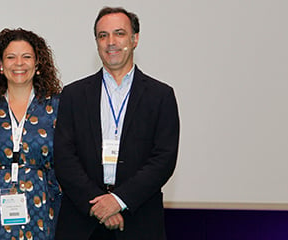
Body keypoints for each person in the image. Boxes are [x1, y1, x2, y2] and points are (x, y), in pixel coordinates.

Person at [53, 6, 180, 240]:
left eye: (119, 33)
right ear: (97, 42)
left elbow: (163, 159)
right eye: (103, 35)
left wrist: (118, 201)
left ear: (135, 39)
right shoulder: (73, 94)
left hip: (139, 221)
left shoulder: (160, 96)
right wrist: (98, 205)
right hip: (82, 222)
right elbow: (64, 157)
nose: (111, 42)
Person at [0, 28, 63, 240]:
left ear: (38, 64)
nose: (19, 63)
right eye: (11, 57)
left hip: (43, 203)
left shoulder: (57, 106)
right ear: (0, 65)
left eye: (26, 57)